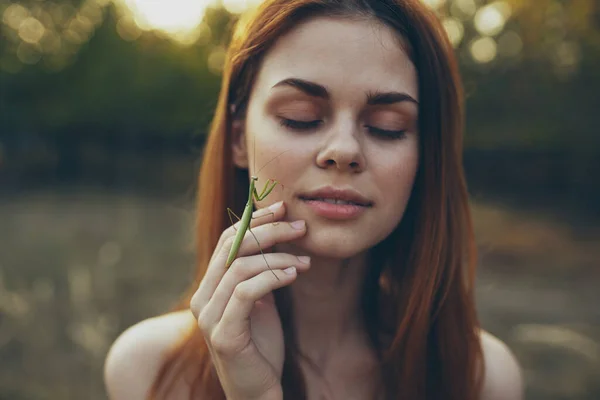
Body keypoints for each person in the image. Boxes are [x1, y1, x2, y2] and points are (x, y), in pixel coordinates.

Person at [103, 0, 523, 399]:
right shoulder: (149, 371)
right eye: (299, 117)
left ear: (426, 155)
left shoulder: (483, 378)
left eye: (387, 126)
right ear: (238, 140)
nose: (343, 150)